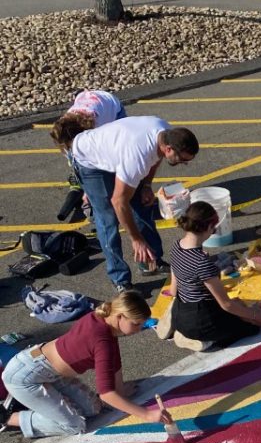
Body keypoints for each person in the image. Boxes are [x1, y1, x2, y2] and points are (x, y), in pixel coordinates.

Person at [0, 291, 172, 438]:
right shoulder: (100, 339)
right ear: (120, 316)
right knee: (75, 425)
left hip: (46, 370)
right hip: (24, 377)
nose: (138, 329)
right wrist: (147, 414)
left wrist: (120, 392)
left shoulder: (104, 319)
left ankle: (43, 397)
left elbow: (114, 362)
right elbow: (106, 395)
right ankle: (7, 417)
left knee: (93, 409)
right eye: (136, 324)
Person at [71, 116, 199, 292]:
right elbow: (119, 201)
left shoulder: (166, 132)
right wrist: (136, 239)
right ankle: (120, 279)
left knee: (142, 203)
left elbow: (157, 157)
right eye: (182, 159)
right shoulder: (137, 158)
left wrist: (146, 185)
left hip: (117, 153)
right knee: (107, 219)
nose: (183, 164)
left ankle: (150, 262)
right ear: (169, 148)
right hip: (90, 161)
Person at [166, 201, 261, 351]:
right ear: (207, 227)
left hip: (180, 313)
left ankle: (178, 327)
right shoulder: (202, 263)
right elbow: (226, 304)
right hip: (202, 322)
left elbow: (174, 291)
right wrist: (255, 315)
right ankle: (206, 341)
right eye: (214, 228)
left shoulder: (176, 246)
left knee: (238, 304)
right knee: (252, 328)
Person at [50, 89, 127, 220]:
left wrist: (90, 190)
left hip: (113, 108)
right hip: (88, 101)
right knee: (74, 156)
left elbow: (102, 159)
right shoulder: (64, 125)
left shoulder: (96, 126)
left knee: (118, 154)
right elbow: (73, 156)